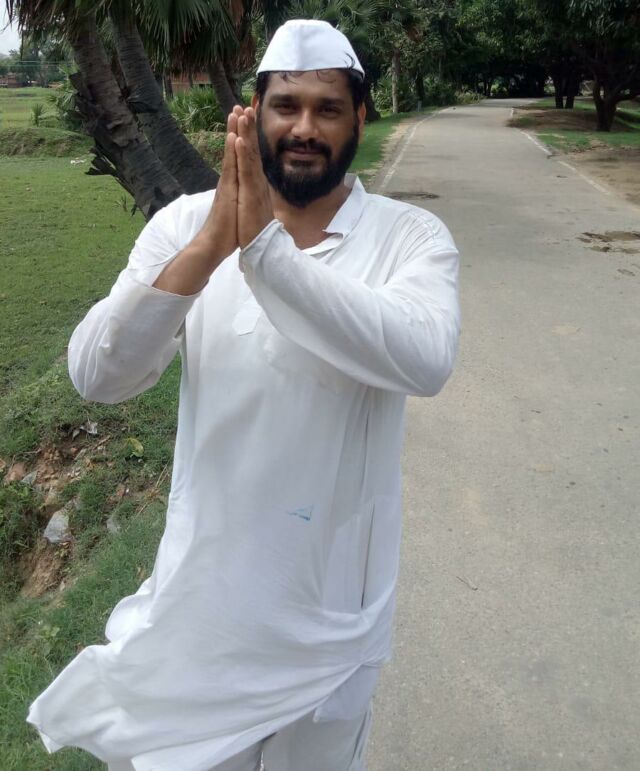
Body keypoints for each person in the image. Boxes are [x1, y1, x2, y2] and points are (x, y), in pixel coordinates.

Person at [26, 19, 460, 771]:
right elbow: (97, 374)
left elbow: (424, 360)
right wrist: (210, 247)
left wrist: (265, 251)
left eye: (328, 108)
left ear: (361, 118)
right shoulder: (186, 225)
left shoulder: (410, 238)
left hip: (330, 623)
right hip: (204, 610)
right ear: (252, 115)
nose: (304, 128)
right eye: (285, 105)